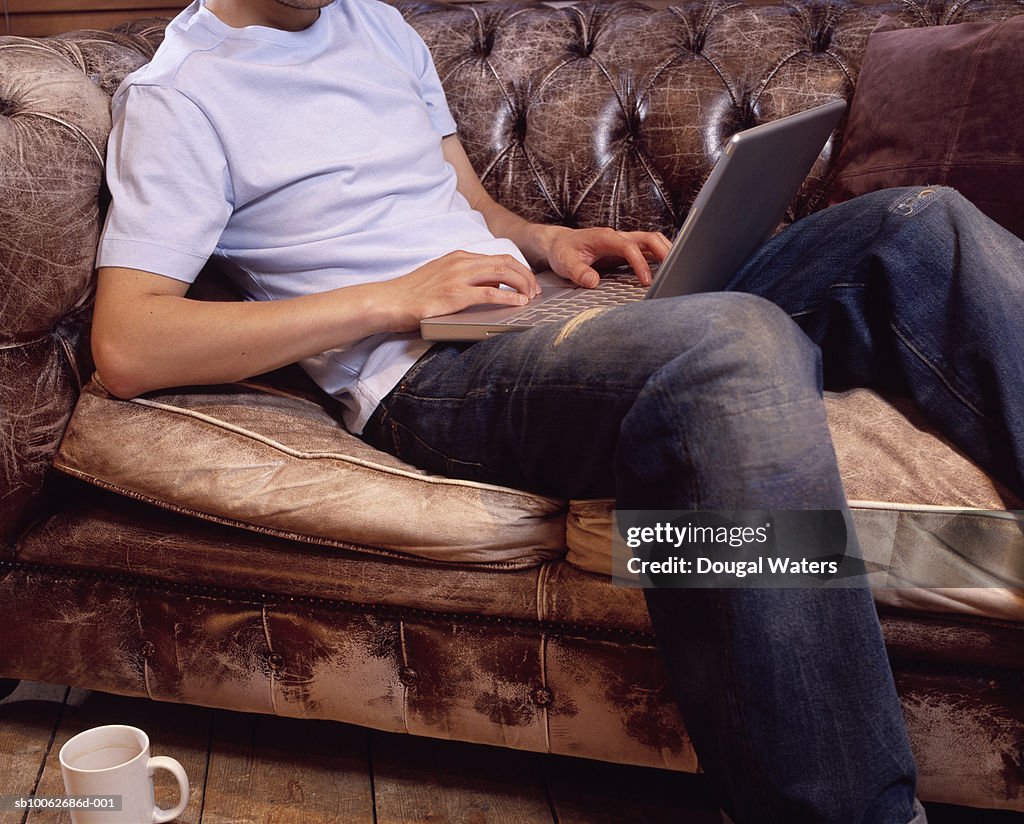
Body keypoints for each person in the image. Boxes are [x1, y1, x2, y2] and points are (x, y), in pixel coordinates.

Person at [91, 0, 1024, 821]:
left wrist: (551, 241)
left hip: (533, 318)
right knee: (734, 343)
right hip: (426, 379)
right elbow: (130, 345)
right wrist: (392, 298)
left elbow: (469, 204)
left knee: (919, 224)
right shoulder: (178, 95)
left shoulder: (371, 20)